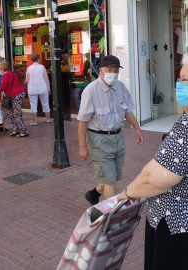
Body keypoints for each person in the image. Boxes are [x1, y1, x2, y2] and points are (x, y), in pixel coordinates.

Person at [117, 55, 188, 270]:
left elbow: (156, 178)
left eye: (186, 80)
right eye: (181, 79)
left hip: (176, 226)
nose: (180, 86)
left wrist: (127, 193)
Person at [77, 55, 144, 204]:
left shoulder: (120, 87)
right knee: (110, 181)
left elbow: (127, 110)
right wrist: (83, 147)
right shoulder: (91, 91)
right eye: (109, 70)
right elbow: (83, 122)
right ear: (101, 70)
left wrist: (137, 128)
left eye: (115, 71)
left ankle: (93, 194)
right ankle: (111, 216)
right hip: (99, 140)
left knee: (114, 177)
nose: (113, 73)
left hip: (118, 137)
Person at [0, 61, 29, 138]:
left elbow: (3, 86)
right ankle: (16, 129)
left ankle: (23, 131)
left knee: (16, 114)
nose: (0, 70)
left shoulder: (6, 75)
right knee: (12, 113)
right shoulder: (12, 73)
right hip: (17, 94)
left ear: (2, 69)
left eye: (0, 69)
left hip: (15, 95)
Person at [25, 53, 52, 125]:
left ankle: (34, 121)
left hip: (32, 87)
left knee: (33, 104)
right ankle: (48, 119)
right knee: (45, 103)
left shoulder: (29, 68)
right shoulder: (42, 67)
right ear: (38, 59)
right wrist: (48, 88)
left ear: (32, 60)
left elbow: (27, 80)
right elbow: (46, 79)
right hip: (42, 87)